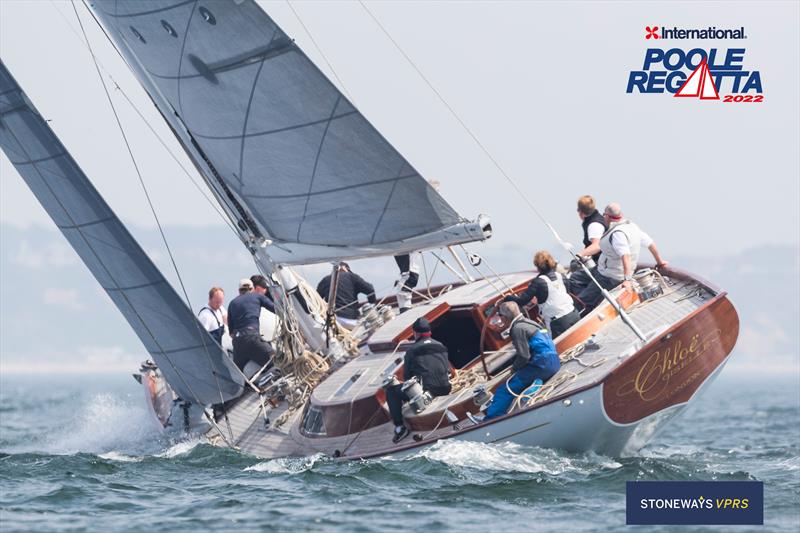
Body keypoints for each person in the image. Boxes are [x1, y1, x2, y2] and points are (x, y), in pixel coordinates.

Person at [573, 203, 669, 312]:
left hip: (609, 277)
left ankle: (586, 308)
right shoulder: (632, 227)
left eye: (604, 215)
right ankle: (590, 299)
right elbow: (650, 244)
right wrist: (659, 261)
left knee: (582, 302)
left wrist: (627, 280)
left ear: (607, 216)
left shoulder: (617, 234)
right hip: (601, 270)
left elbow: (625, 255)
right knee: (575, 279)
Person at [483, 302, 560, 420]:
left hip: (541, 365)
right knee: (522, 376)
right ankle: (535, 384)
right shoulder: (531, 322)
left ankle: (492, 419)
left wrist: (513, 370)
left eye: (499, 314)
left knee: (504, 389)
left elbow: (524, 356)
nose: (499, 317)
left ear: (505, 317)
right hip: (554, 361)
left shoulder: (517, 329)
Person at [385, 317, 453, 443]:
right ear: (429, 332)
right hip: (446, 388)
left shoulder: (411, 351)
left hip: (427, 392)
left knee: (391, 391)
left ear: (415, 333)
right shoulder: (441, 346)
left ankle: (400, 427)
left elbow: (407, 379)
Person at [504, 251, 580, 338]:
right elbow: (567, 291)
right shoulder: (560, 276)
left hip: (558, 323)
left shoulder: (537, 282)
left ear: (537, 265)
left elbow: (522, 301)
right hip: (574, 314)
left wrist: (508, 297)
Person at [227, 276, 276, 372]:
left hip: (237, 343)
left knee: (239, 374)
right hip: (252, 338)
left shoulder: (232, 303)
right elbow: (276, 309)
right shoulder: (257, 296)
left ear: (239, 291)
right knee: (275, 360)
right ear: (252, 289)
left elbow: (231, 333)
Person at [316, 263, 376, 329]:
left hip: (333, 320)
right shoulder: (352, 277)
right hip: (351, 320)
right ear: (347, 269)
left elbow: (316, 300)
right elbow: (370, 290)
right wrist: (372, 305)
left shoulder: (325, 280)